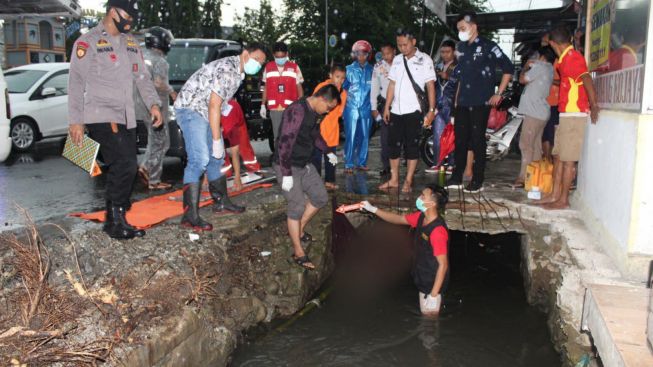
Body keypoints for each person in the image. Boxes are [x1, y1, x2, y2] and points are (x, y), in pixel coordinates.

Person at [68, 0, 162, 240]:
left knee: (122, 166)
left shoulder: (130, 43)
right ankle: (115, 220)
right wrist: (75, 121)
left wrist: (153, 104)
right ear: (112, 11)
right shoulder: (87, 42)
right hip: (101, 114)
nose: (130, 20)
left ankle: (115, 212)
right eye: (126, 14)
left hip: (127, 116)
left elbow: (142, 77)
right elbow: (76, 82)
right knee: (126, 164)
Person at [174, 43, 268, 231]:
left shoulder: (238, 72)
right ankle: (189, 216)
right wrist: (218, 140)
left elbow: (218, 103)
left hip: (204, 110)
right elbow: (214, 105)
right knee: (199, 160)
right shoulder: (228, 70)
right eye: (256, 59)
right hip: (191, 109)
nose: (258, 64)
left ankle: (221, 202)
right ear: (245, 53)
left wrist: (217, 137)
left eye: (261, 63)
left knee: (216, 160)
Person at [273, 85, 341, 270]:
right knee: (297, 205)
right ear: (321, 99)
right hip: (287, 164)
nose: (328, 112)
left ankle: (298, 228)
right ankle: (298, 251)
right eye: (328, 108)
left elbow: (313, 134)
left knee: (320, 197)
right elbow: (285, 143)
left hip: (304, 164)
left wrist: (327, 151)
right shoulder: (297, 110)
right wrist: (286, 173)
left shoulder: (313, 112)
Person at [447, 12, 514, 193]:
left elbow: (508, 68)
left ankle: (477, 179)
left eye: (463, 28)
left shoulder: (488, 46)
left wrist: (498, 93)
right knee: (460, 141)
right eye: (459, 29)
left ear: (473, 26)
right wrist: (455, 102)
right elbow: (460, 78)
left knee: (477, 141)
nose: (461, 32)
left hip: (480, 102)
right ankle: (456, 177)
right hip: (462, 102)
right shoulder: (460, 48)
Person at [534, 25, 599, 209]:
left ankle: (563, 199)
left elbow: (586, 78)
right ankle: (554, 195)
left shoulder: (573, 58)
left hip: (574, 115)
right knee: (559, 157)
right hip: (566, 114)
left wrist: (594, 105)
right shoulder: (565, 59)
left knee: (568, 160)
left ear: (553, 43)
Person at [361, 184, 450, 316]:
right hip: (422, 275)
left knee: (430, 319)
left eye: (422, 196)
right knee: (426, 316)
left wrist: (433, 295)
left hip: (432, 282)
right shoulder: (421, 217)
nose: (418, 197)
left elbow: (443, 265)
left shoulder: (437, 231)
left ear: (431, 203)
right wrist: (373, 210)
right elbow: (399, 219)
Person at [380, 29, 436, 193]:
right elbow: (392, 84)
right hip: (396, 111)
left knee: (412, 146)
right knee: (393, 146)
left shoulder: (425, 60)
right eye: (399, 45)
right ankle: (394, 179)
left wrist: (431, 110)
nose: (402, 48)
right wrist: (387, 107)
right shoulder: (397, 60)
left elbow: (430, 86)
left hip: (414, 111)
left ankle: (408, 180)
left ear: (413, 42)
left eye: (405, 44)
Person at [135, 26, 176, 191]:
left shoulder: (139, 56)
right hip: (155, 105)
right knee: (161, 141)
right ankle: (151, 174)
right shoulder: (160, 61)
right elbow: (159, 83)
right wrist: (172, 92)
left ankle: (150, 175)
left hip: (137, 103)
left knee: (153, 140)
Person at [514, 47, 555, 187]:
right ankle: (534, 178)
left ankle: (522, 178)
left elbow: (522, 80)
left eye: (537, 55)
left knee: (525, 145)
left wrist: (526, 67)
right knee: (535, 146)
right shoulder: (549, 68)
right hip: (541, 112)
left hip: (534, 112)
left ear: (542, 57)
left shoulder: (540, 66)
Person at [261, 42, 304, 150]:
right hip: (275, 109)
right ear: (273, 55)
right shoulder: (268, 67)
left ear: (286, 54)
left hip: (291, 108)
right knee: (277, 137)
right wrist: (262, 104)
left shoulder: (294, 67)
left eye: (282, 56)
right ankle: (278, 161)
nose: (280, 59)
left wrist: (301, 105)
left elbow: (299, 88)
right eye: (277, 57)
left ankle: (290, 160)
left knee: (291, 135)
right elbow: (265, 87)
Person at [311, 64, 347, 190]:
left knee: (331, 159)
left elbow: (339, 113)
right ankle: (315, 183)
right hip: (318, 131)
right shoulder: (321, 87)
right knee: (315, 158)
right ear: (330, 76)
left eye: (343, 78)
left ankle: (330, 181)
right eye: (337, 77)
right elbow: (314, 106)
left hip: (332, 131)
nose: (340, 81)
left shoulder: (343, 93)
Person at [425, 40, 459, 174]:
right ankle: (437, 163)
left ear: (453, 52)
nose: (445, 55)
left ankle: (451, 164)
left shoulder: (458, 67)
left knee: (451, 137)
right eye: (442, 52)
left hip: (452, 107)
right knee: (437, 137)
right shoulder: (437, 66)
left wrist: (449, 77)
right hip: (439, 107)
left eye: (448, 52)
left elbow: (460, 85)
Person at [343, 40, 374, 173]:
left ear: (368, 55)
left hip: (367, 109)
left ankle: (361, 162)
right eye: (358, 53)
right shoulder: (348, 70)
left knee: (365, 136)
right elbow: (342, 88)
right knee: (350, 136)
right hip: (351, 109)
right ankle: (349, 163)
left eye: (364, 54)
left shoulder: (373, 70)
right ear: (354, 54)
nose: (361, 56)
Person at [370, 43, 396, 176]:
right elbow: (374, 87)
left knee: (400, 137)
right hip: (385, 104)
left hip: (401, 104)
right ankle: (386, 166)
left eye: (389, 53)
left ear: (394, 51)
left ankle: (404, 165)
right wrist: (374, 108)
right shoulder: (378, 67)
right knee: (385, 138)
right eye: (384, 54)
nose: (386, 56)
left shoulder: (401, 63)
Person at [220, 99, 249, 192]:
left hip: (234, 126)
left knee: (236, 152)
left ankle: (237, 179)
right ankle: (208, 179)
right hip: (219, 123)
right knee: (213, 151)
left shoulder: (233, 106)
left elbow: (235, 153)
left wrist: (237, 178)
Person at [542, 32, 561, 162]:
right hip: (544, 103)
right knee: (545, 135)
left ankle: (550, 162)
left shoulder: (559, 62)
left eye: (545, 43)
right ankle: (546, 162)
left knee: (551, 135)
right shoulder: (547, 64)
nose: (542, 45)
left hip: (555, 104)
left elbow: (563, 81)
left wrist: (550, 80)